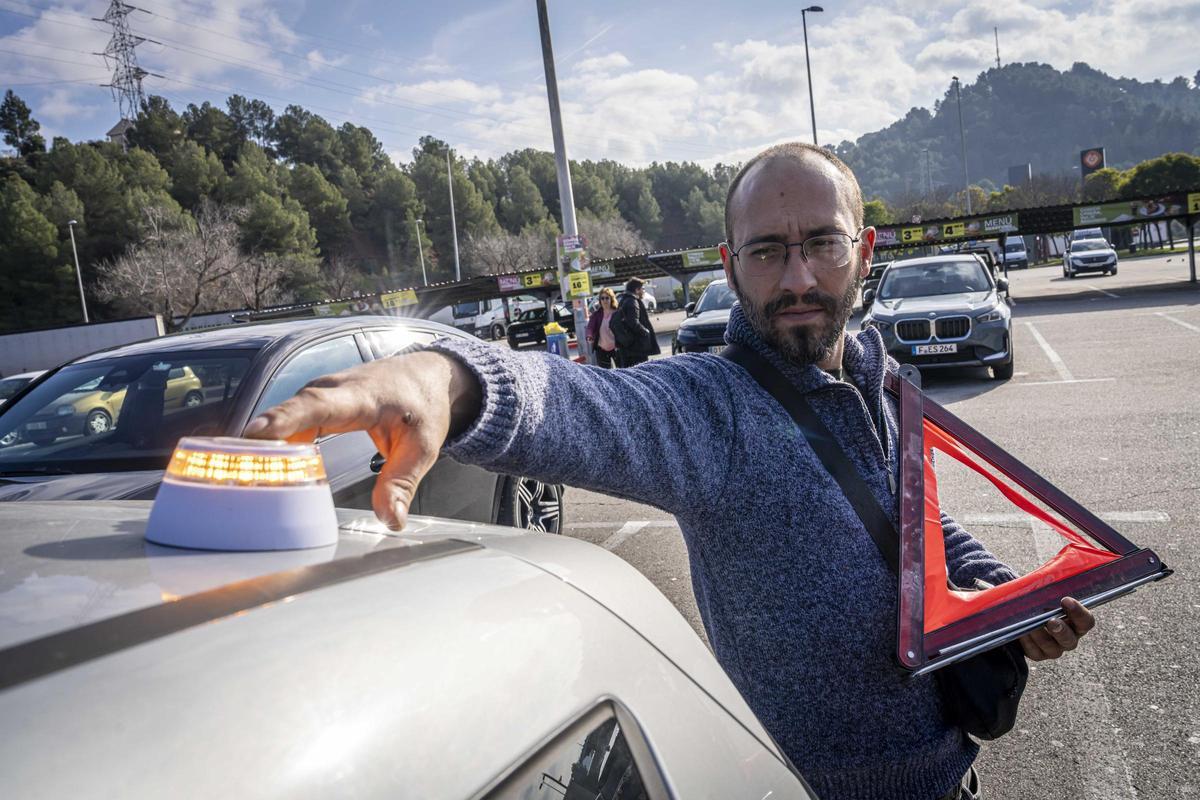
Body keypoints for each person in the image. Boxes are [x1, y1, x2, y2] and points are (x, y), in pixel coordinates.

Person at [246, 142, 1095, 800]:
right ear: (729, 266)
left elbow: (913, 521)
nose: (796, 277)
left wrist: (998, 598)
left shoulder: (878, 377)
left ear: (863, 250)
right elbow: (578, 404)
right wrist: (445, 376)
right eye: (767, 252)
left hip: (951, 775)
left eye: (820, 245)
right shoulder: (711, 410)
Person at [614, 277, 660, 367]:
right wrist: (646, 332)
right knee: (640, 372)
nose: (643, 291)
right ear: (637, 290)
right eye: (642, 289)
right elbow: (633, 322)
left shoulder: (623, 300)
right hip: (636, 348)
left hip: (626, 346)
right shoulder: (632, 302)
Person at [585, 287, 620, 369]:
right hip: (602, 349)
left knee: (622, 371)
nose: (605, 300)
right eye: (602, 298)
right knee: (605, 374)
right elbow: (590, 327)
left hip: (617, 348)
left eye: (607, 298)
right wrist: (589, 336)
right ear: (600, 300)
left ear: (611, 299)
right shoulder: (596, 314)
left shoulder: (618, 312)